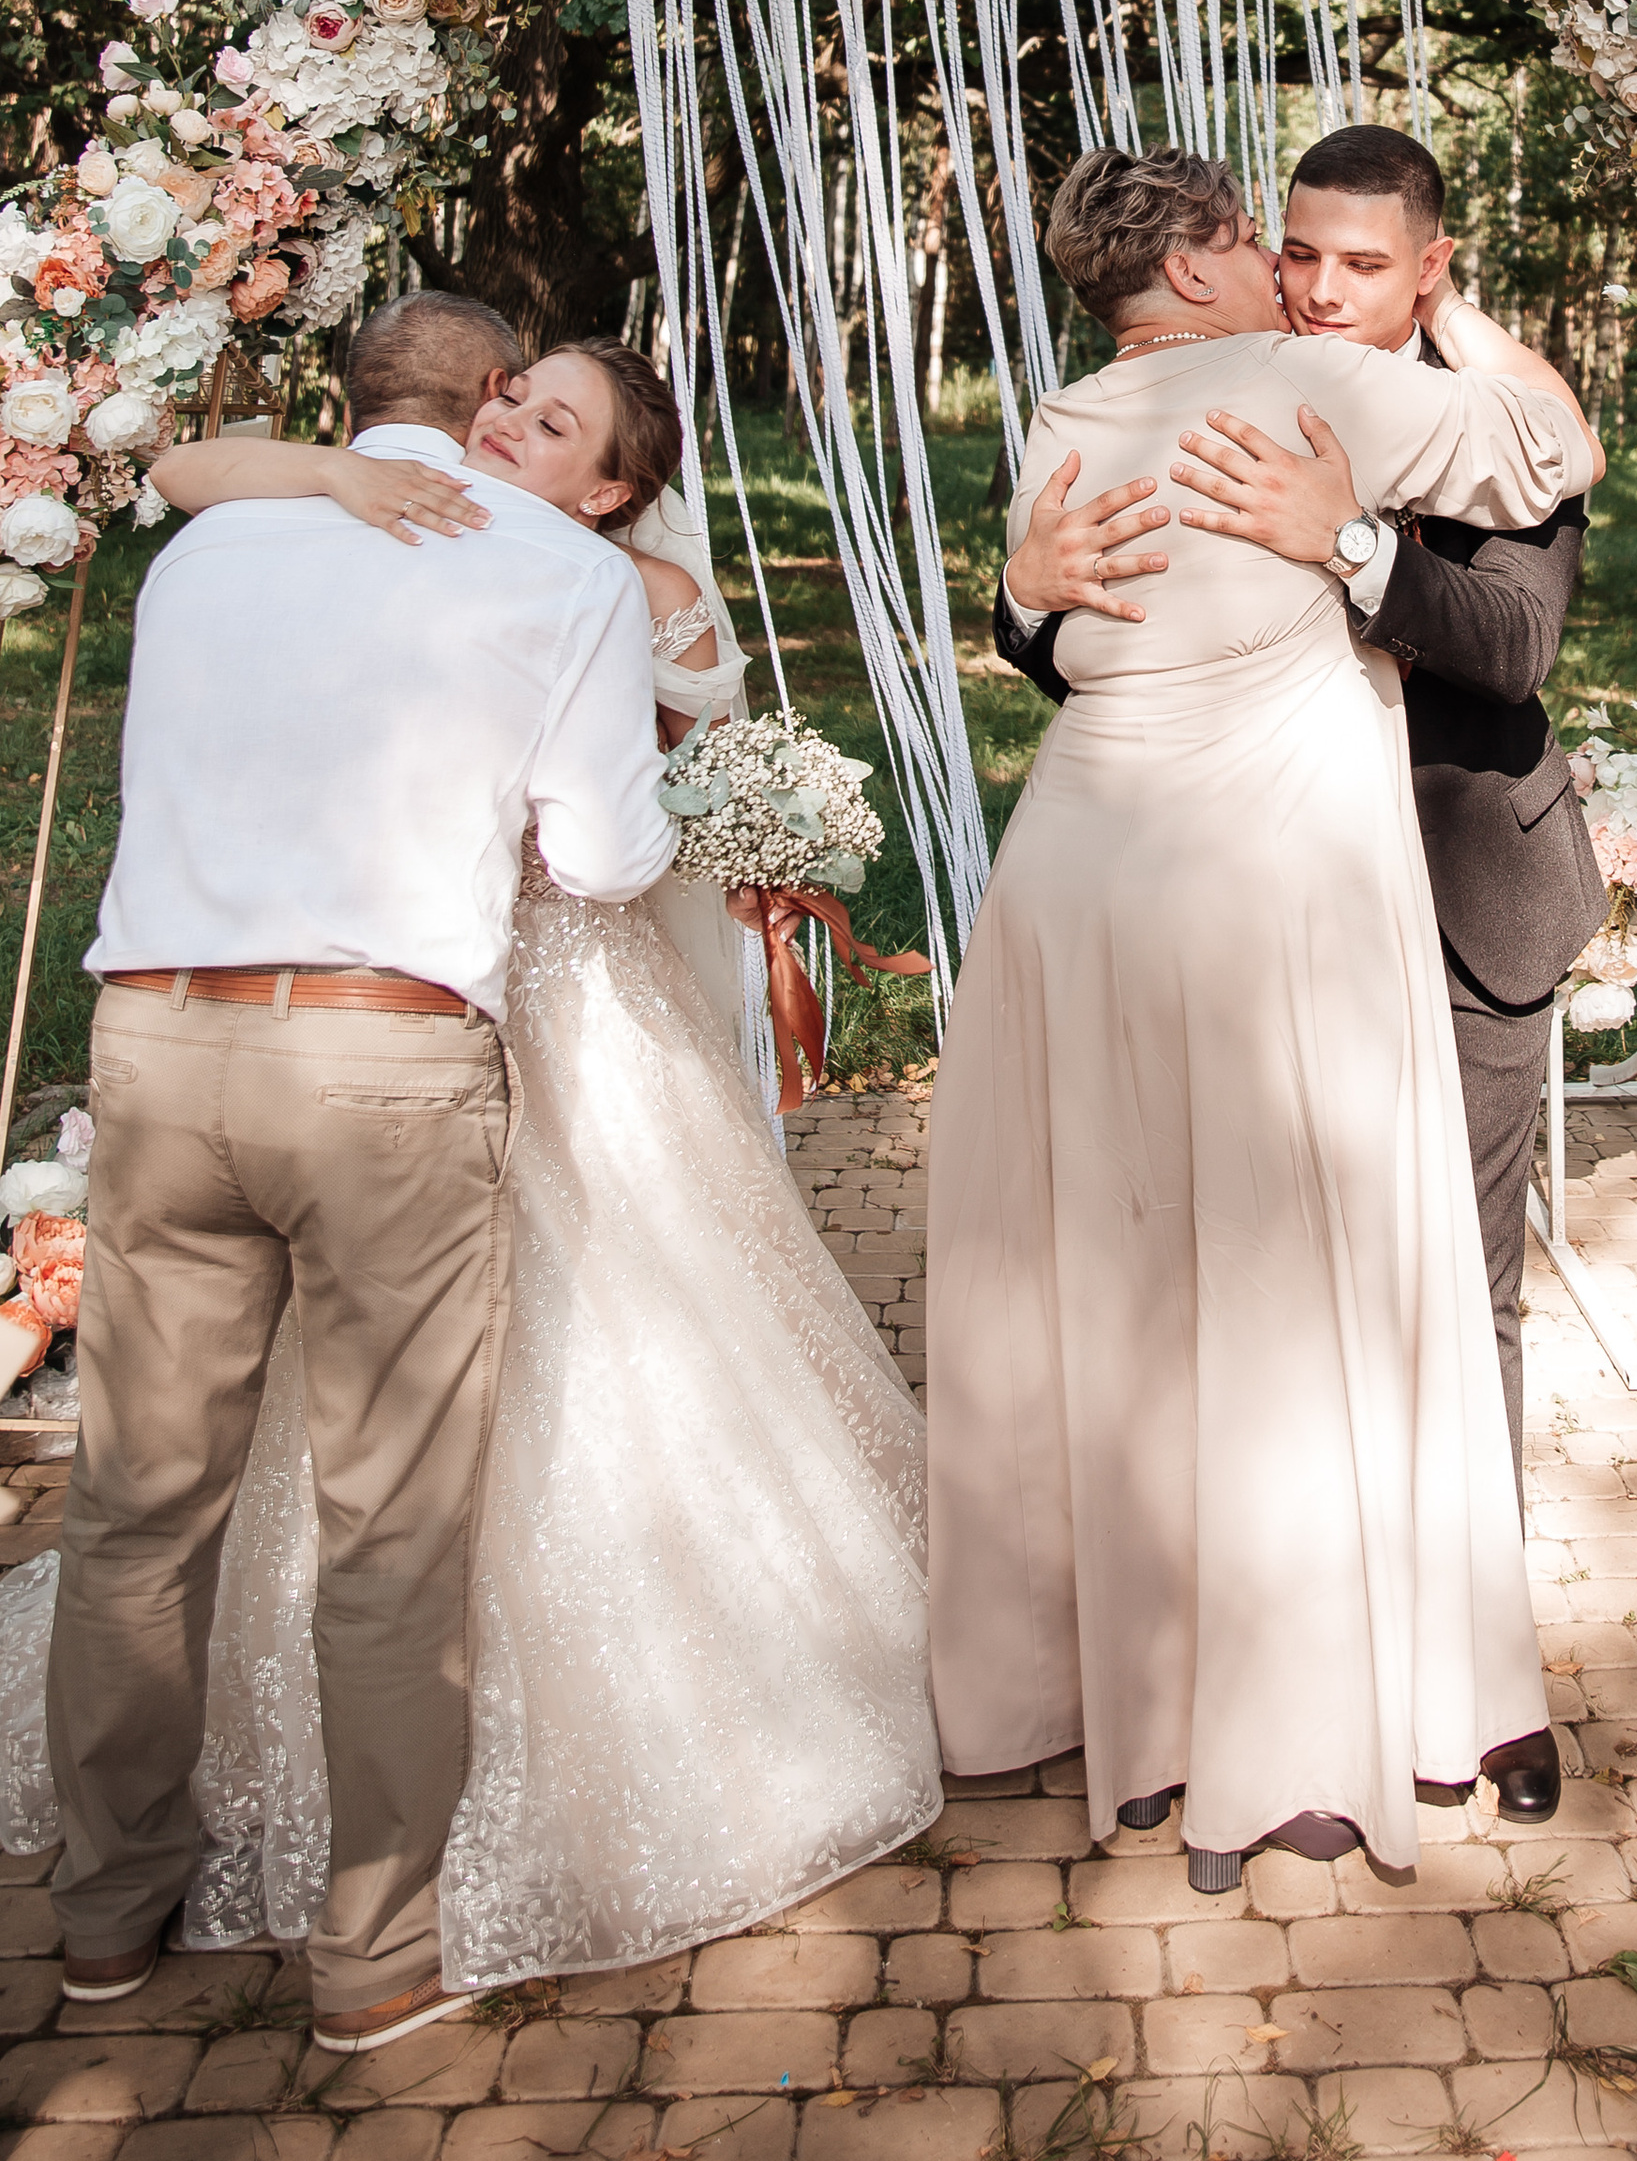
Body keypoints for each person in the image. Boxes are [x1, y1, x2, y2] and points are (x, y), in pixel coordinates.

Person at [6, 299, 940, 2033]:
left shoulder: (208, 548)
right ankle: (372, 1966)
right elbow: (593, 861)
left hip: (155, 1042)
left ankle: (104, 1921)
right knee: (392, 1524)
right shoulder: (557, 579)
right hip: (380, 1059)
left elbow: (196, 485)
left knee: (137, 1509)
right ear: (490, 397)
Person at [927, 146, 1601, 1895]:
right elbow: (1062, 621)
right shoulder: (1295, 379)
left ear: (1429, 270)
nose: (1311, 288)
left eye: (1353, 265)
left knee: (1423, 1290)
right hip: (1268, 898)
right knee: (1265, 1289)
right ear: (1229, 263)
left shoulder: (1118, 399)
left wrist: (1353, 544)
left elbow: (1512, 645)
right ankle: (1283, 1700)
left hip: (1386, 882)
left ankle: (1451, 1675)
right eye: (1286, 253)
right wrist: (1023, 584)